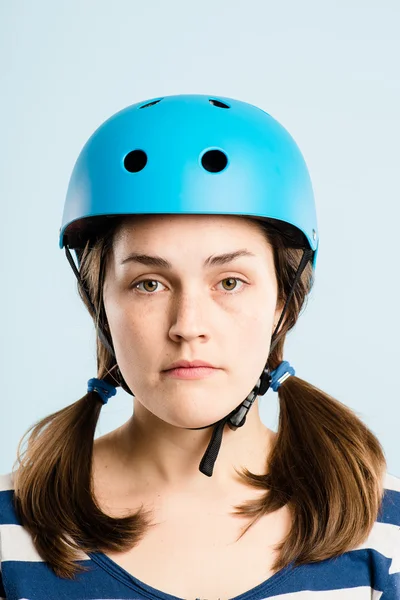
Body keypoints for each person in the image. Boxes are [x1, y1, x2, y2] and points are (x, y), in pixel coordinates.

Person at [0, 94, 399, 600]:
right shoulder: (8, 533)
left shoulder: (385, 532)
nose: (188, 326)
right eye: (149, 283)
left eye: (229, 282)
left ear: (284, 300)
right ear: (100, 303)